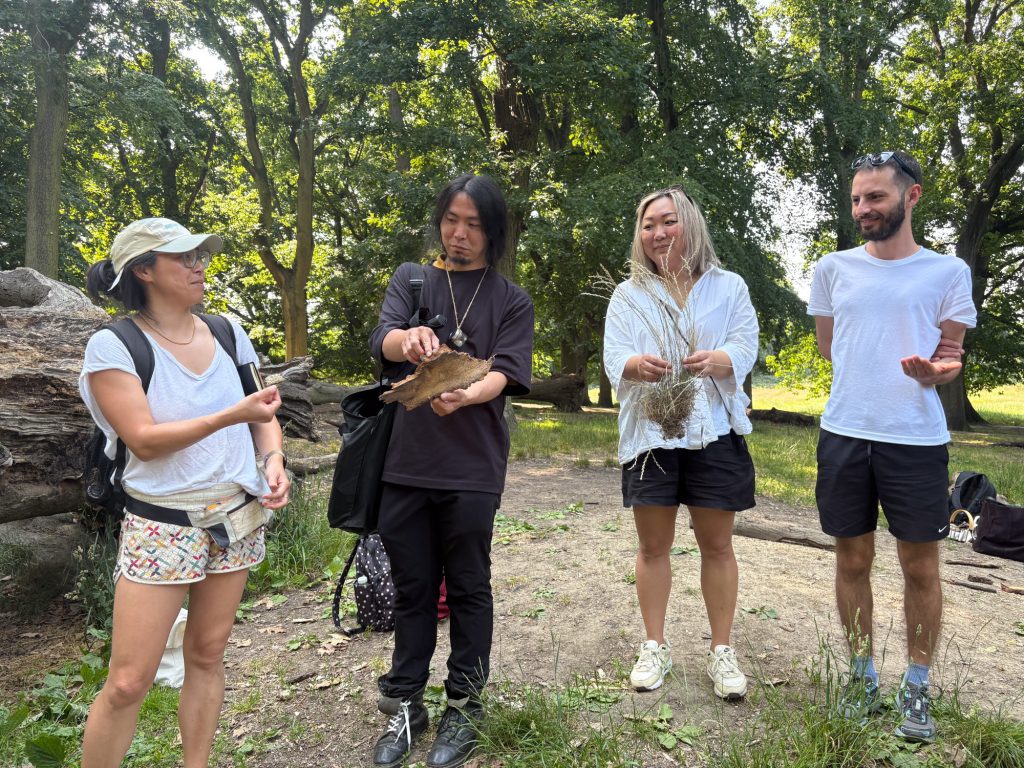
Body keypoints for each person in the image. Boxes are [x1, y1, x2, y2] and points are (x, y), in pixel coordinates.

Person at [78, 217, 290, 768]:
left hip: (236, 515)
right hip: (162, 523)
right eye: (183, 257)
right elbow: (144, 442)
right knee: (127, 681)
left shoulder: (225, 331)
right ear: (143, 270)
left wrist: (273, 459)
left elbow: (263, 413)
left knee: (207, 653)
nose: (199, 265)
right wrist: (232, 415)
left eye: (200, 253)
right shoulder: (114, 345)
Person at [808, 151, 976, 741]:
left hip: (916, 440)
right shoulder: (832, 267)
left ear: (911, 197)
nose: (863, 210)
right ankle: (861, 676)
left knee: (920, 566)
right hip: (845, 433)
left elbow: (951, 355)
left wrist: (935, 371)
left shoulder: (948, 271)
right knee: (852, 561)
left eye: (875, 198)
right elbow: (832, 347)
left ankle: (917, 687)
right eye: (856, 199)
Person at [367, 173, 534, 768]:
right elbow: (381, 339)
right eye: (451, 221)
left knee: (467, 584)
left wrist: (468, 393)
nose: (460, 235)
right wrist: (405, 339)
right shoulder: (413, 280)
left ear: (493, 232)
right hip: (406, 465)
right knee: (413, 588)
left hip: (472, 467)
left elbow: (506, 371)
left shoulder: (510, 299)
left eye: (474, 225)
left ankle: (464, 705)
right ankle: (406, 703)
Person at [603, 186, 759, 700]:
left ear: (689, 224)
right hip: (651, 435)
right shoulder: (629, 294)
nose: (658, 233)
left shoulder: (729, 285)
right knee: (653, 546)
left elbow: (745, 342)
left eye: (668, 222)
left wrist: (722, 359)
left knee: (717, 544)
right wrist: (633, 365)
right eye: (649, 226)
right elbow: (614, 355)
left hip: (713, 430)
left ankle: (721, 650)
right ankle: (655, 645)